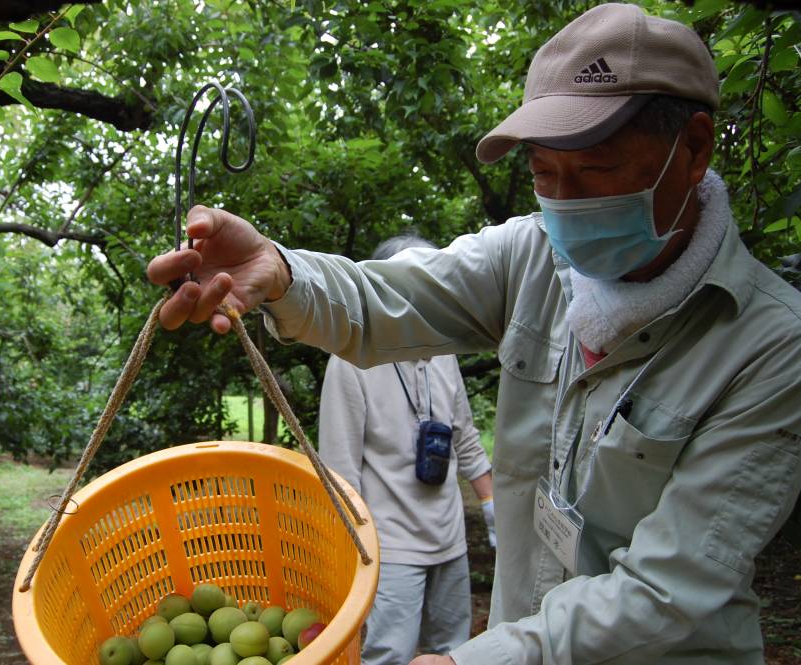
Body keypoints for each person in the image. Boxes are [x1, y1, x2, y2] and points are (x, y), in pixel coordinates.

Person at [147, 3, 801, 664]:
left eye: (596, 171)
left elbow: (666, 589)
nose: (566, 202)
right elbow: (384, 301)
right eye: (546, 173)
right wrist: (281, 271)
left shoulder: (770, 347)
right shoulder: (530, 258)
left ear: (693, 148)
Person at [318, 234, 497, 665]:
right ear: (384, 292)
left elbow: (465, 436)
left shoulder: (444, 353)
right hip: (391, 545)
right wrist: (358, 553)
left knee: (453, 652)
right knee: (388, 655)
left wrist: (489, 502)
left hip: (450, 537)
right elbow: (341, 470)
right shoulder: (349, 362)